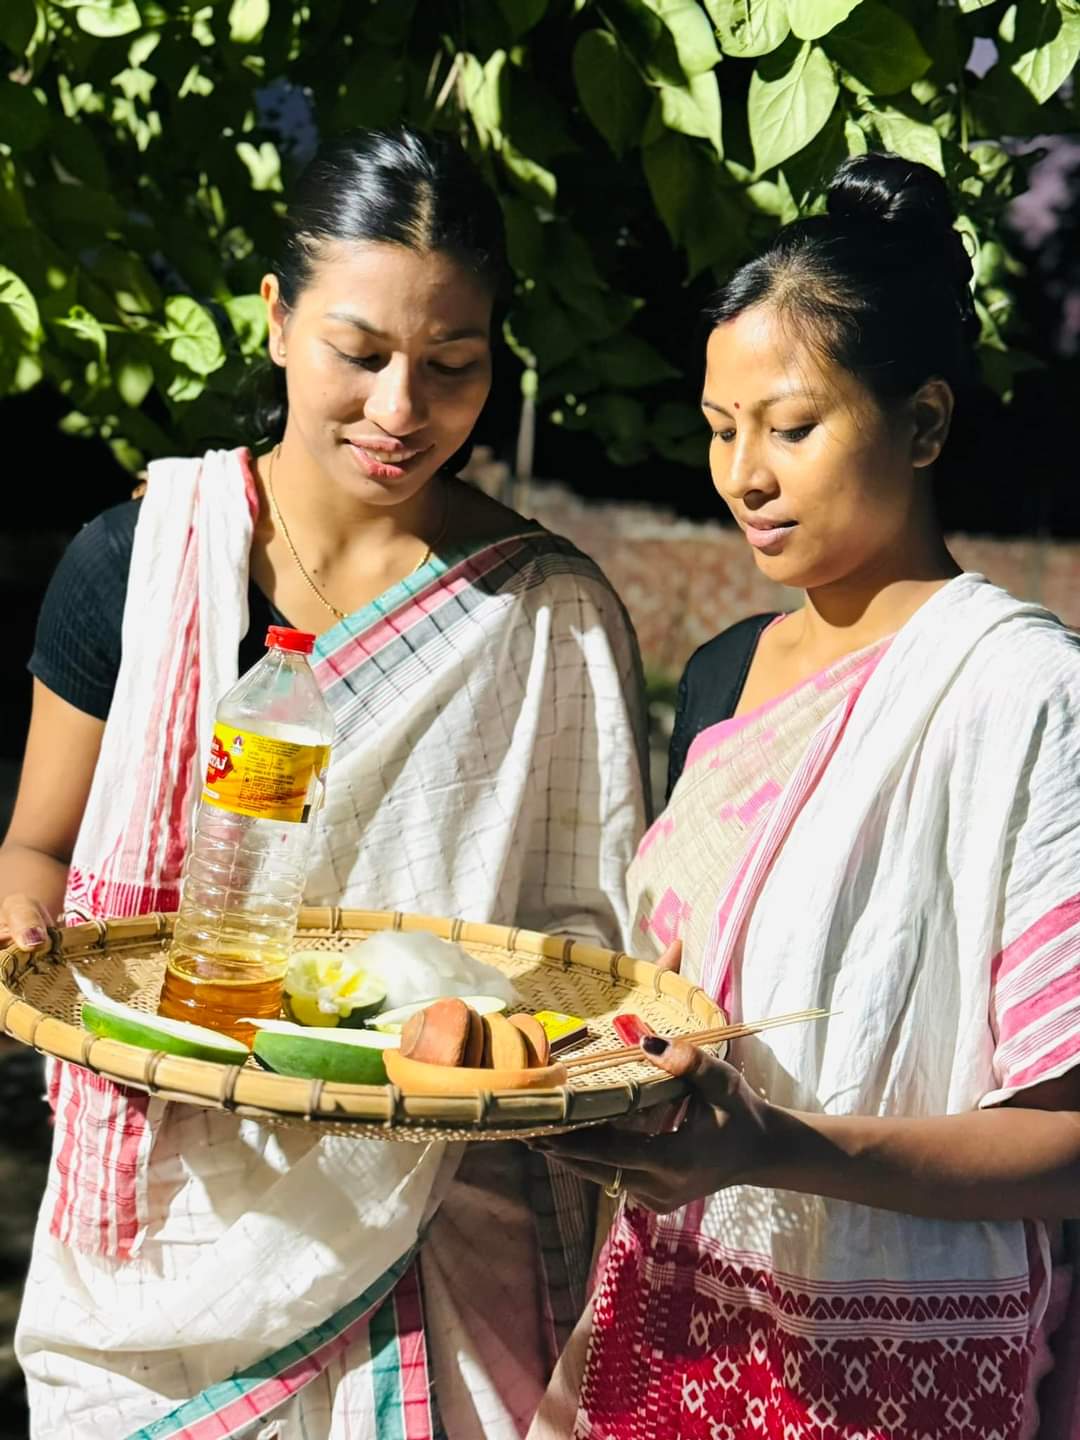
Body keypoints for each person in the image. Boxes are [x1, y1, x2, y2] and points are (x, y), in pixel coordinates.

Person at [4, 126, 649, 1438]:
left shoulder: (545, 615)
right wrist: (30, 933)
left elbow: (591, 957)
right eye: (360, 354)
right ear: (278, 320)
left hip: (437, 1219)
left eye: (454, 366)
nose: (403, 410)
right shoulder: (144, 568)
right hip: (161, 1227)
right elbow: (38, 846)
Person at [532, 153, 1080, 1440]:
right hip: (663, 1337)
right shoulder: (726, 673)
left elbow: (1069, 1142)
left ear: (927, 424)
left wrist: (772, 1148)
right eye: (722, 430)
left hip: (881, 1379)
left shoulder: (1020, 691)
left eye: (791, 426)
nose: (745, 476)